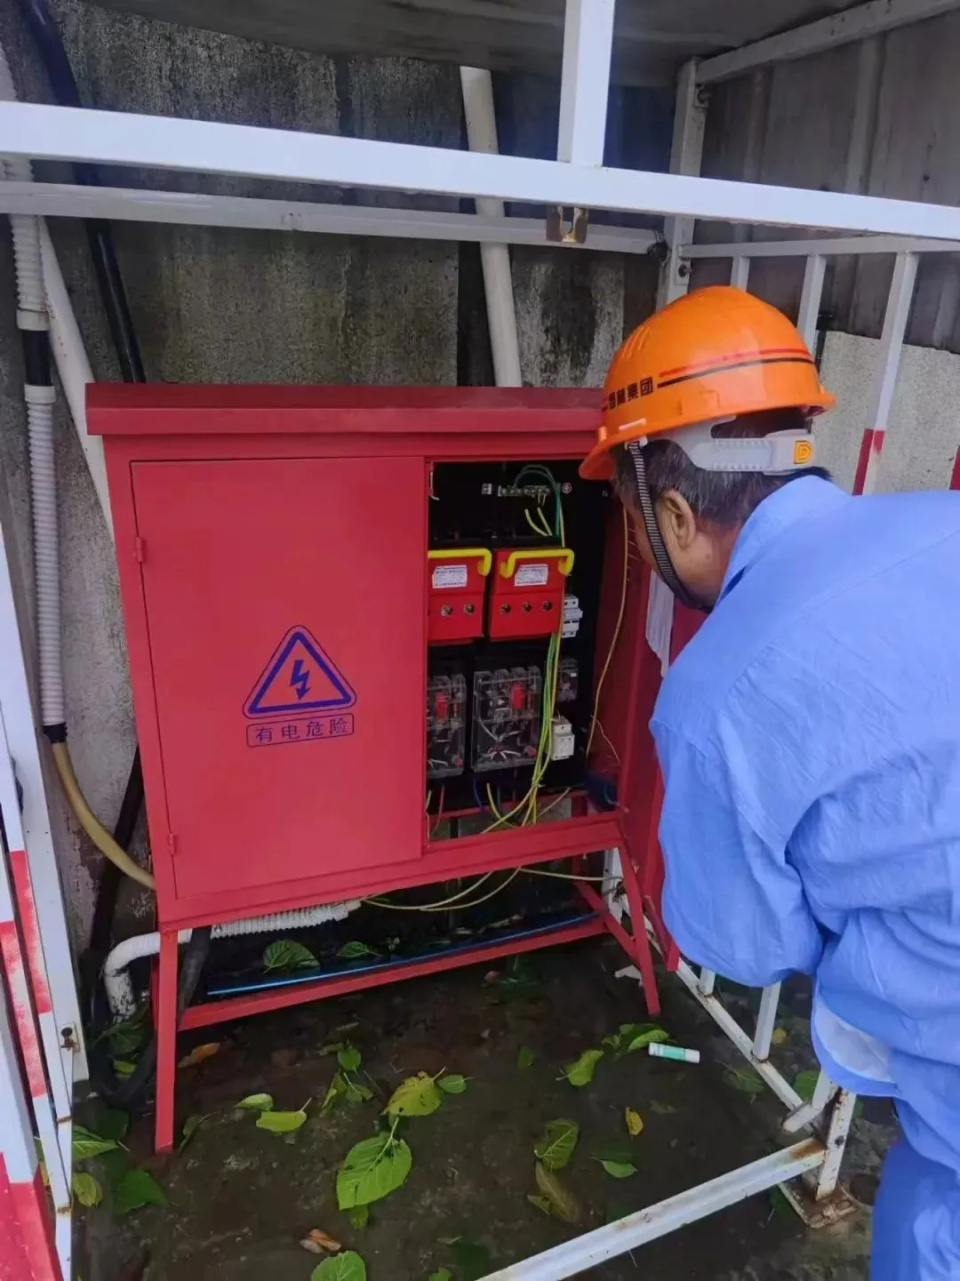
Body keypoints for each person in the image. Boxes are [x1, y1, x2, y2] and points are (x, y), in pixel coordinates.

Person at [579, 285, 960, 1279]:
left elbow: (744, 945)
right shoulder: (945, 525)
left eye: (627, 517)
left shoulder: (715, 700)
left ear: (672, 511)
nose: (632, 540)